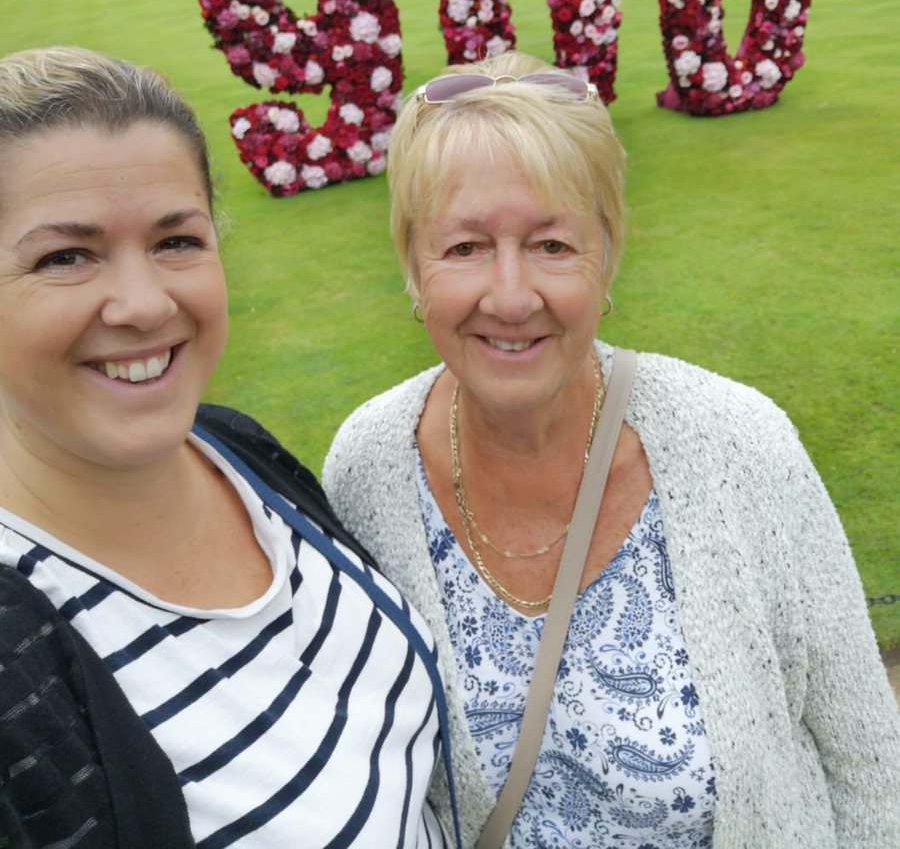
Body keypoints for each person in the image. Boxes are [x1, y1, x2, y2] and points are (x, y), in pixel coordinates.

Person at [324, 51, 900, 849]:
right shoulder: (366, 466)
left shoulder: (738, 443)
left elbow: (869, 759)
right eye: (464, 248)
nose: (513, 294)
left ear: (608, 254)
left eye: (553, 245)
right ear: (414, 268)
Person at [0, 46, 453, 849]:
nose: (143, 304)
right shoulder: (17, 658)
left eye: (176, 240)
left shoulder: (236, 448)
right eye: (65, 257)